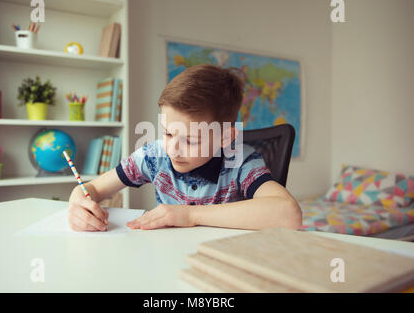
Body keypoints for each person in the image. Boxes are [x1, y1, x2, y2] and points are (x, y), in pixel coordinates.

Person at [68, 64, 302, 232]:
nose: (173, 150)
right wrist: (78, 202)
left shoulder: (240, 161)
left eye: (190, 140)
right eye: (168, 132)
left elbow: (288, 214)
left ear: (225, 137)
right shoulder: (154, 155)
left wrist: (189, 214)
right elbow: (92, 188)